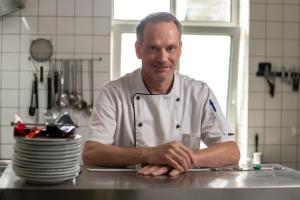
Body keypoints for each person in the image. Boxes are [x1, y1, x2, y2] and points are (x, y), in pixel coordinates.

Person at [83, 12, 240, 177]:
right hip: (128, 190)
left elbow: (232, 151)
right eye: (153, 48)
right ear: (138, 50)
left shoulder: (199, 93)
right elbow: (91, 153)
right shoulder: (113, 93)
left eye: (170, 48)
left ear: (180, 50)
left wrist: (184, 159)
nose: (163, 58)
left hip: (184, 190)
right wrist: (150, 154)